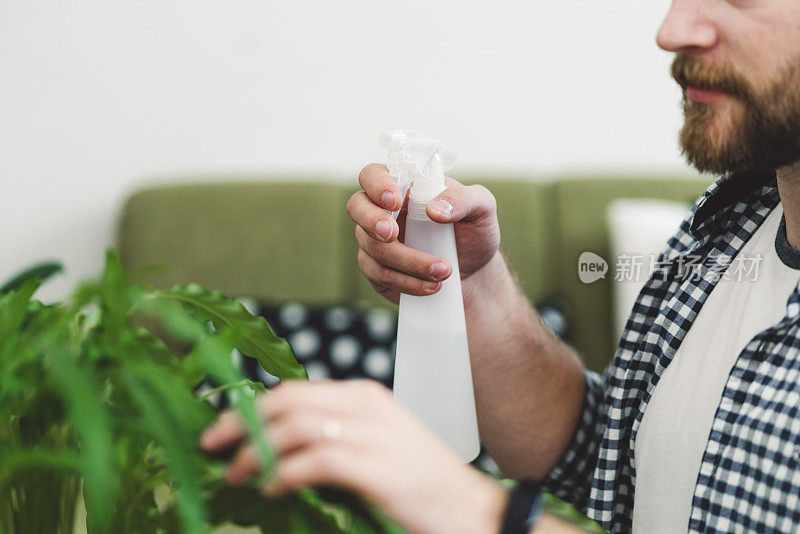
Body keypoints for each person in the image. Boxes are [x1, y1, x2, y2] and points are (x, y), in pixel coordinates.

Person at [200, 0, 800, 532]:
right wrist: (470, 285)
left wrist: (480, 513)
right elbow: (614, 462)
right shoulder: (723, 232)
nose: (672, 30)